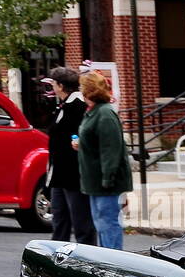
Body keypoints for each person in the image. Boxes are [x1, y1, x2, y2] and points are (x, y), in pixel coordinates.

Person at [75, 71, 132, 250]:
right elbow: (96, 141)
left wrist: (108, 178)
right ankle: (105, 260)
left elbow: (111, 149)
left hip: (106, 182)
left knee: (108, 223)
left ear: (88, 90)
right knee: (100, 223)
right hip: (94, 180)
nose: (80, 90)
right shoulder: (93, 112)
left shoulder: (105, 114)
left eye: (82, 86)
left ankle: (114, 263)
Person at [44, 68, 96, 244]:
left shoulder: (78, 106)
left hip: (74, 174)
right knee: (59, 219)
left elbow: (86, 136)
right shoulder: (63, 106)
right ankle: (57, 257)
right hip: (59, 174)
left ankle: (87, 257)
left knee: (81, 221)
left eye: (53, 83)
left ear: (60, 85)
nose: (51, 87)